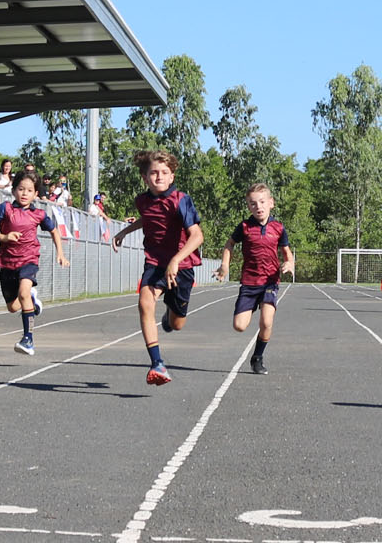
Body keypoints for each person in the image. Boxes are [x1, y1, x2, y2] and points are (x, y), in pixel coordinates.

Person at [111, 150, 204, 385]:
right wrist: (124, 231)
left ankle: (169, 316)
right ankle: (157, 364)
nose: (159, 177)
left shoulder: (181, 200)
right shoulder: (142, 201)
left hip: (181, 266)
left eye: (164, 173)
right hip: (154, 262)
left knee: (177, 324)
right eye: (154, 173)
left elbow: (197, 236)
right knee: (144, 301)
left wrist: (175, 260)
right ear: (144, 177)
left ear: (172, 176)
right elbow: (148, 218)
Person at [0, 171, 69, 356]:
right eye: (21, 189)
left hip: (29, 259)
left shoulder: (38, 214)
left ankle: (28, 339)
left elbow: (54, 231)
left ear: (36, 194)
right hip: (7, 262)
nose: (24, 193)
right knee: (13, 307)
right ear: (13, 191)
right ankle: (33, 303)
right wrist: (4, 236)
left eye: (29, 190)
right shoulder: (5, 209)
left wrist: (60, 253)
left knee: (23, 293)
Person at [216, 183, 294, 375]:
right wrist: (225, 265)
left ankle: (257, 358)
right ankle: (251, 306)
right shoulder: (244, 227)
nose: (258, 207)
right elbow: (229, 244)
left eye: (262, 202)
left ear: (271, 203)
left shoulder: (278, 228)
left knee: (266, 322)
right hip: (249, 283)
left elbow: (286, 252)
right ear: (248, 206)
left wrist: (289, 263)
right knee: (239, 326)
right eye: (253, 203)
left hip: (270, 281)